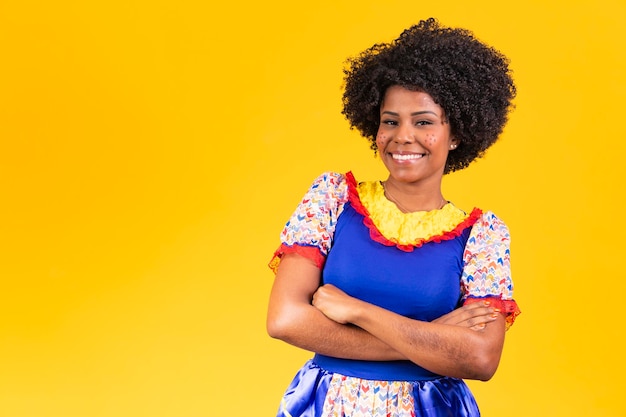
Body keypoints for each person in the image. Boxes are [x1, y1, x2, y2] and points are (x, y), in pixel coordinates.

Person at [266, 17, 521, 417]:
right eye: (390, 121)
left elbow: (481, 360)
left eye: (424, 122)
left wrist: (358, 312)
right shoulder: (333, 200)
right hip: (330, 406)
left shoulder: (482, 235)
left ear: (456, 135)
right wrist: (436, 339)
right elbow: (284, 319)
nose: (403, 136)